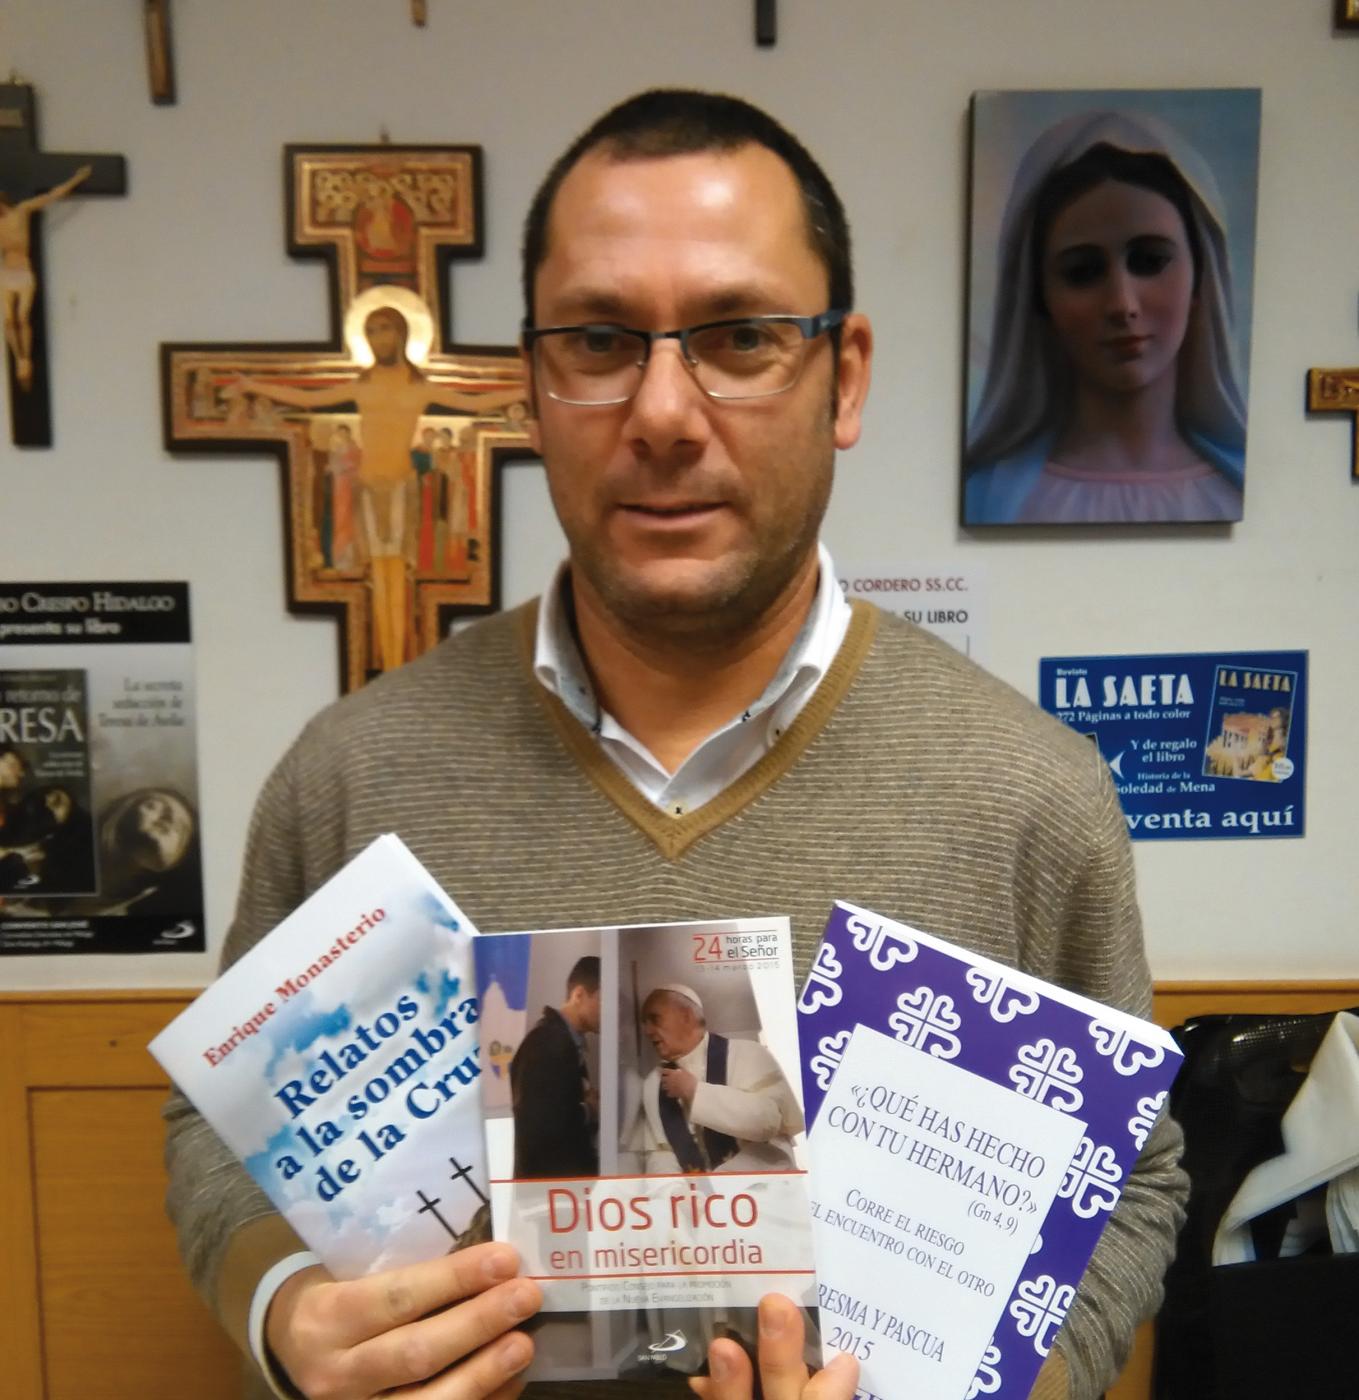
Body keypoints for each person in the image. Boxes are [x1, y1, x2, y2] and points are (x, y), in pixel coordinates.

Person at [165, 88, 1186, 1400]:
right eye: (598, 338)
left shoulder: (1025, 797)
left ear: (843, 376)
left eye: (740, 336)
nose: (660, 411)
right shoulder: (353, 777)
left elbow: (1127, 1180)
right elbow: (221, 1122)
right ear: (532, 383)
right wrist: (282, 1307)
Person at [964, 109, 1248, 524]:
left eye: (1150, 261)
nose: (1122, 304)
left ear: (1200, 279)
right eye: (1082, 272)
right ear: (1040, 296)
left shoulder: (1236, 491)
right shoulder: (985, 498)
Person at [232, 306, 524, 671]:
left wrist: (528, 387)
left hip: (402, 486)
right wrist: (253, 386)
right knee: (378, 576)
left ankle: (399, 663)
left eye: (385, 329)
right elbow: (308, 400)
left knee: (399, 577)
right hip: (367, 487)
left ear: (401, 335)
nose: (377, 338)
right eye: (371, 331)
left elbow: (474, 403)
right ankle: (387, 664)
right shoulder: (362, 386)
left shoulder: (419, 388)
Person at [629, 984, 801, 1173]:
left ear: (686, 1016)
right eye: (644, 1023)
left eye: (654, 1019)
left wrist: (694, 1092)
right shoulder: (653, 1084)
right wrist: (674, 1194)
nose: (647, 1030)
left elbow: (767, 1122)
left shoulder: (749, 1053)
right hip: (700, 1199)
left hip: (763, 1187)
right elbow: (661, 1152)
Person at [509, 955, 601, 1178]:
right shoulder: (548, 1043)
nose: (611, 1010)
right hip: (548, 1193)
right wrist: (590, 1109)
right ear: (579, 995)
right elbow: (543, 1123)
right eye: (603, 1000)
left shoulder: (561, 1042)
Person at [0, 163, 91, 389]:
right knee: (9, 319)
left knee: (22, 318)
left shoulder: (22, 211)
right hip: (6, 271)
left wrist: (76, 179)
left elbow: (52, 196)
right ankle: (19, 358)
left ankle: (26, 358)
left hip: (23, 271)